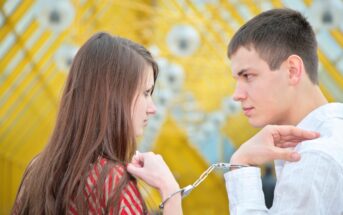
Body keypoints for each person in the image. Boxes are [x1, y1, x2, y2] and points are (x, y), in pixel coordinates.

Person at [11, 32, 181, 215]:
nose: (152, 108)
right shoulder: (113, 185)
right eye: (146, 93)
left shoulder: (37, 170)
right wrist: (170, 190)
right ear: (115, 96)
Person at [224, 8, 343, 214]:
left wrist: (242, 164)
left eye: (248, 76)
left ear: (292, 70)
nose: (237, 94)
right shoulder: (333, 134)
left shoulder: (314, 157)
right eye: (237, 80)